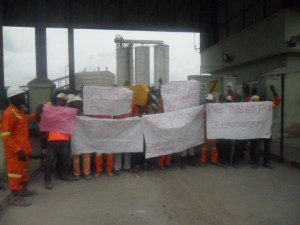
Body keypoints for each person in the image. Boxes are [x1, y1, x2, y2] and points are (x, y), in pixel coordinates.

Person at [0, 86, 37, 206]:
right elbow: (6, 135)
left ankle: (23, 190)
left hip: (23, 149)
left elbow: (24, 120)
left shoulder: (19, 111)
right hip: (15, 151)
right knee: (15, 173)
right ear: (14, 98)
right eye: (22, 95)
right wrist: (18, 149)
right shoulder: (9, 113)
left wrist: (36, 114)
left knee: (24, 170)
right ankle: (14, 198)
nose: (24, 97)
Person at [44, 93, 73, 190]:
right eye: (58, 100)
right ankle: (47, 180)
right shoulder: (51, 110)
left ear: (65, 102)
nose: (59, 102)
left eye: (62, 100)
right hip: (53, 138)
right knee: (50, 160)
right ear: (56, 101)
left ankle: (62, 174)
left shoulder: (68, 112)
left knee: (63, 159)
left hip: (64, 138)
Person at [69, 96, 92, 180]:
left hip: (85, 138)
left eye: (79, 103)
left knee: (86, 156)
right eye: (76, 103)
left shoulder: (86, 113)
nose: (78, 105)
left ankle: (87, 172)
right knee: (76, 156)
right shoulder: (70, 114)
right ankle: (77, 173)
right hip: (75, 138)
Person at [199, 93, 219, 166]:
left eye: (210, 101)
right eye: (207, 101)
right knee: (204, 146)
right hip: (205, 130)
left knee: (213, 146)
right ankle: (203, 160)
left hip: (213, 129)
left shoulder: (216, 108)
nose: (208, 102)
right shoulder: (202, 108)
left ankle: (214, 160)